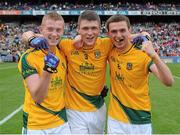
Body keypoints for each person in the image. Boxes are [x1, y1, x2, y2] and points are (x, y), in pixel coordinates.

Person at [105, 14, 174, 134]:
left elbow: (169, 81)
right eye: (114, 31)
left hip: (140, 120)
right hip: (115, 120)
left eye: (122, 30)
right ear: (108, 34)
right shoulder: (109, 49)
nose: (118, 35)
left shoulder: (142, 53)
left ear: (129, 30)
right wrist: (141, 34)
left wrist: (154, 56)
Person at [18, 12, 71, 134]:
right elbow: (38, 97)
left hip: (61, 122)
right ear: (41, 29)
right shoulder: (28, 57)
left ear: (63, 31)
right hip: (36, 125)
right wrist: (48, 69)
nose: (54, 34)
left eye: (58, 30)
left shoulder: (63, 52)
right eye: (50, 29)